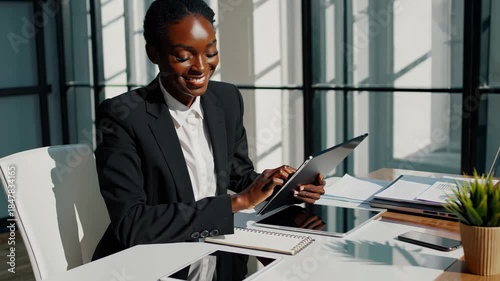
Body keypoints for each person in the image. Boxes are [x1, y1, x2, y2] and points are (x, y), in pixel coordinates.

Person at [92, 0, 325, 268]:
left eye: (210, 52)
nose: (201, 67)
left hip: (218, 254)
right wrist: (237, 203)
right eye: (183, 57)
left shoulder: (225, 99)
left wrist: (283, 186)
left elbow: (237, 172)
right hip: (151, 265)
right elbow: (132, 223)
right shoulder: (122, 115)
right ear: (153, 53)